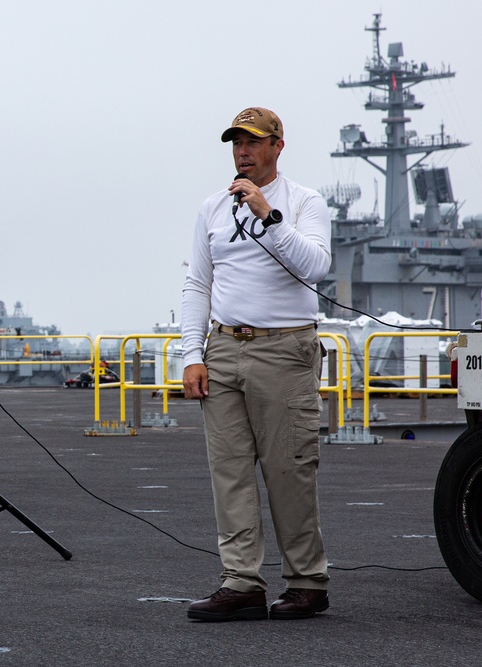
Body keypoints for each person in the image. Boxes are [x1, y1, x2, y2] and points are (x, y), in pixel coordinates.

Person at [181, 107, 332, 621]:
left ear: (277, 146)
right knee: (229, 472)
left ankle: (307, 582)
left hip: (285, 349)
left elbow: (313, 266)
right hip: (223, 349)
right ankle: (241, 581)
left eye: (252, 142)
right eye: (235, 142)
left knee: (289, 469)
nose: (241, 151)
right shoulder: (212, 208)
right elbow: (198, 284)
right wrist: (191, 355)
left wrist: (269, 216)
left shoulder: (305, 202)